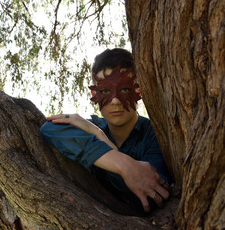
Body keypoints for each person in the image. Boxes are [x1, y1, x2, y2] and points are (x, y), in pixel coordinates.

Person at [40, 48, 170, 215]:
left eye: (124, 89)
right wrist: (127, 166)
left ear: (139, 90)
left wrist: (101, 138)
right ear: (95, 94)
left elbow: (151, 195)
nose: (115, 101)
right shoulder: (92, 126)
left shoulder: (155, 134)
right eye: (105, 91)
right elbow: (50, 129)